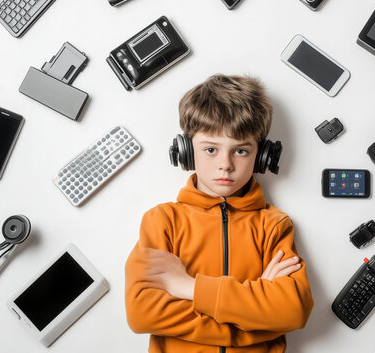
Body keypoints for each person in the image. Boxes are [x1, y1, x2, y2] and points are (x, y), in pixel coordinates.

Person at [125, 74, 314, 353]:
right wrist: (255, 313)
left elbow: (293, 310)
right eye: (211, 149)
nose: (225, 165)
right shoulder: (162, 221)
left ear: (262, 156)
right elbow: (142, 314)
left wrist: (188, 287)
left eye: (240, 151)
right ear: (187, 151)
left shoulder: (274, 226)